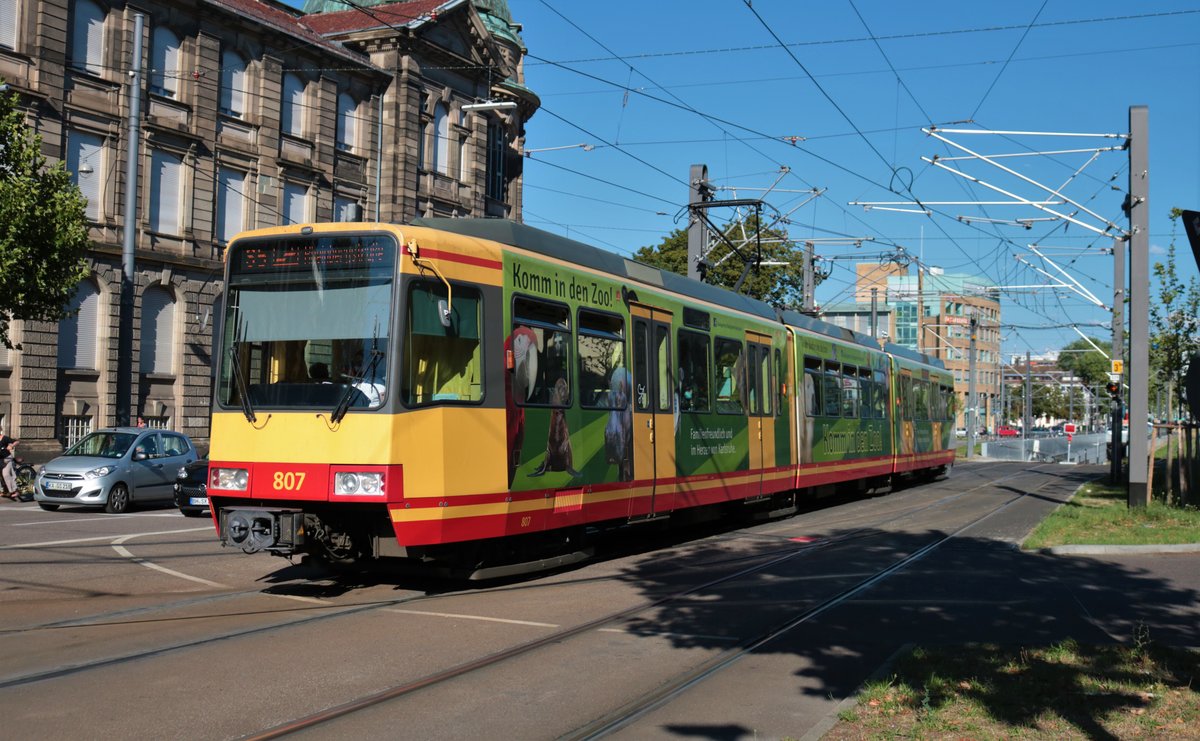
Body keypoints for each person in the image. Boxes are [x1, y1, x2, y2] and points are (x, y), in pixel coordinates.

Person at [0, 432, 19, 500]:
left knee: (6, 474)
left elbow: (16, 442)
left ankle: (15, 491)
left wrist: (11, 446)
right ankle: (5, 490)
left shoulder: (4, 438)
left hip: (6, 459)